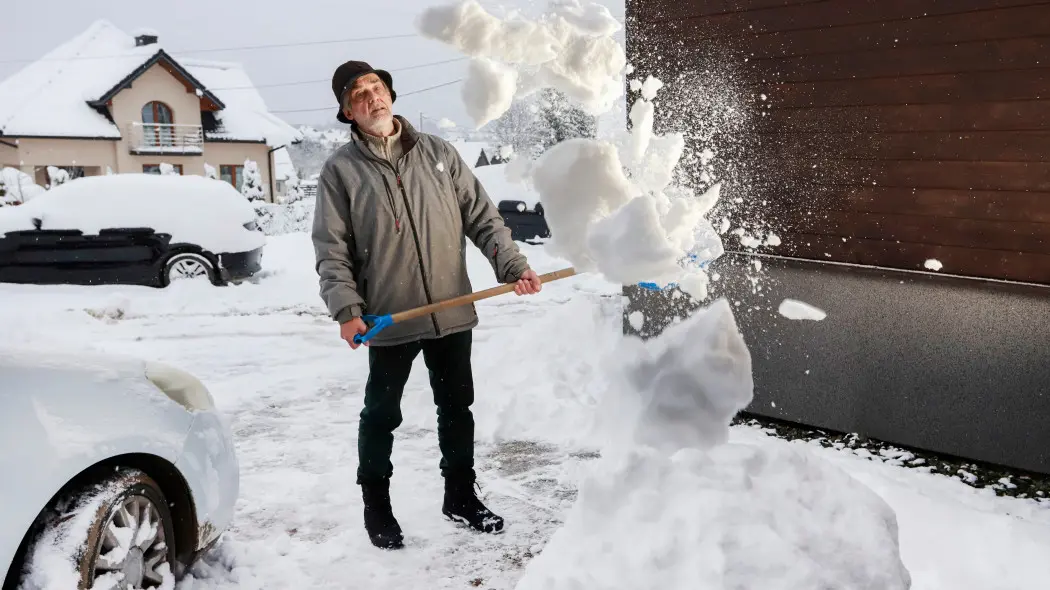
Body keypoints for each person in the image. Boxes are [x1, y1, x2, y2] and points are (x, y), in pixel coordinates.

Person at [311, 60, 543, 550]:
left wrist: (513, 267)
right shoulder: (341, 171)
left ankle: (459, 496)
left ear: (390, 94)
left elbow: (484, 219)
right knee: (381, 414)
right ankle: (377, 505)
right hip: (389, 315)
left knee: (457, 407)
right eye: (359, 94)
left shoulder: (438, 153)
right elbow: (330, 247)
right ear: (347, 112)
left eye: (377, 87)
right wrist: (346, 310)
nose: (372, 97)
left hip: (453, 308)